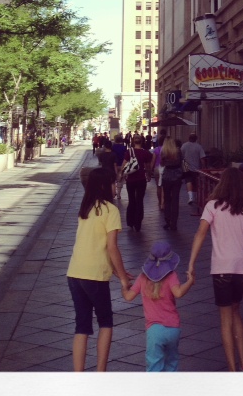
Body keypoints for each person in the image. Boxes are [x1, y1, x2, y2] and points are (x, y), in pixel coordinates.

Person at [188, 168, 243, 371]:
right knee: (236, 312)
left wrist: (191, 263)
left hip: (221, 267)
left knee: (225, 318)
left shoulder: (212, 206)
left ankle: (232, 368)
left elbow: (200, 234)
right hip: (241, 267)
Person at [66, 168, 133, 371]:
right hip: (95, 276)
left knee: (82, 325)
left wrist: (117, 271)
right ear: (104, 186)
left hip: (75, 272)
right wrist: (123, 279)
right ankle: (100, 372)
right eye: (113, 183)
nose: (116, 186)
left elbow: (93, 245)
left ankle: (78, 374)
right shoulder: (110, 210)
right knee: (105, 322)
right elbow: (112, 247)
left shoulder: (86, 208)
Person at [122, 241, 194, 371]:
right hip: (173, 328)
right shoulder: (171, 276)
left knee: (154, 365)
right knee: (172, 362)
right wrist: (190, 282)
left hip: (154, 331)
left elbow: (128, 297)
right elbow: (178, 293)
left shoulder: (143, 277)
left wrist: (124, 287)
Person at [121, 135, 153, 232]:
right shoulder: (145, 152)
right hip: (141, 179)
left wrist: (123, 173)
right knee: (139, 200)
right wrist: (149, 175)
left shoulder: (129, 152)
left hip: (130, 179)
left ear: (133, 141)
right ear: (142, 142)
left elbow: (124, 164)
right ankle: (138, 222)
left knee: (131, 200)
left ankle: (130, 221)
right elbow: (147, 166)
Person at [159, 137, 185, 231]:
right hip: (177, 176)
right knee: (175, 200)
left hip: (167, 176)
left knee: (167, 199)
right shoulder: (178, 151)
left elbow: (162, 164)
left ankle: (167, 220)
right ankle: (174, 223)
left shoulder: (164, 152)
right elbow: (181, 162)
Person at [180, 133, 207, 206]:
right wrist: (204, 167)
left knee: (188, 181)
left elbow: (180, 156)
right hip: (196, 168)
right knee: (195, 182)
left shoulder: (184, 145)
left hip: (186, 166)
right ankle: (195, 196)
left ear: (189, 138)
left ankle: (190, 197)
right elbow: (202, 158)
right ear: (196, 139)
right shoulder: (199, 147)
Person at [150, 135, 166, 211]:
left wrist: (150, 170)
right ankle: (164, 202)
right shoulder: (167, 149)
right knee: (165, 186)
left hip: (157, 169)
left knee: (158, 186)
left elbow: (153, 160)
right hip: (165, 169)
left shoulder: (156, 149)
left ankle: (160, 202)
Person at [111, 134, 127, 199]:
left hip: (114, 165)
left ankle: (113, 192)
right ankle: (118, 194)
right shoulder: (124, 147)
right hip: (122, 165)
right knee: (120, 179)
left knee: (113, 180)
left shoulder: (112, 147)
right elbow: (126, 157)